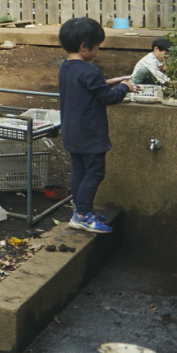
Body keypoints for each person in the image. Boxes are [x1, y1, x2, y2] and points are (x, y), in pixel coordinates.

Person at [58, 16, 136, 234]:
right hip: (90, 133)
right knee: (95, 172)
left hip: (72, 131)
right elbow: (108, 98)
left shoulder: (66, 67)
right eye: (97, 46)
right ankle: (82, 215)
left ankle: (82, 210)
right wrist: (125, 88)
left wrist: (112, 81)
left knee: (79, 171)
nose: (97, 51)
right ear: (85, 47)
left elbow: (85, 87)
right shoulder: (90, 70)